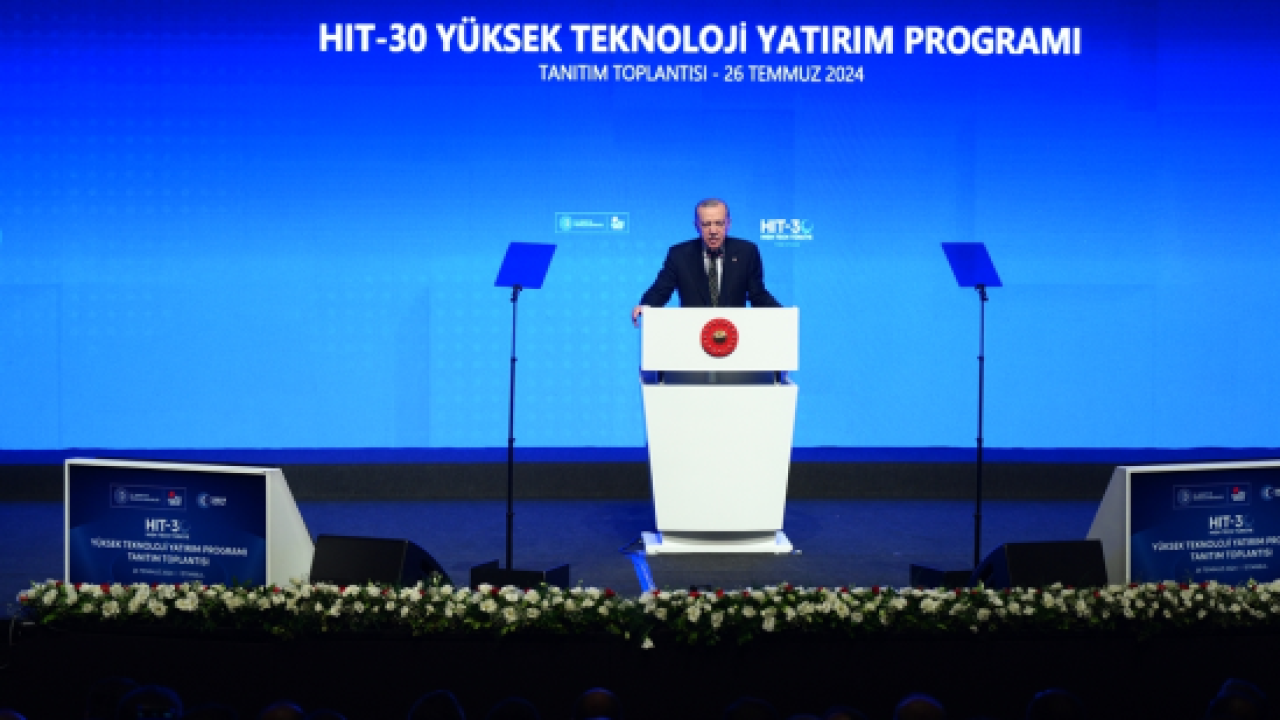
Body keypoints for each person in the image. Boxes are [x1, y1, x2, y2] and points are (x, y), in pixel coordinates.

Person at [632, 198, 780, 327]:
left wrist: (784, 315)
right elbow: (661, 290)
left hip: (734, 334)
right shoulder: (679, 254)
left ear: (728, 224)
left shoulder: (747, 252)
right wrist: (646, 306)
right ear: (696, 226)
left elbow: (757, 295)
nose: (713, 230)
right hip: (692, 333)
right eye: (706, 224)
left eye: (719, 223)